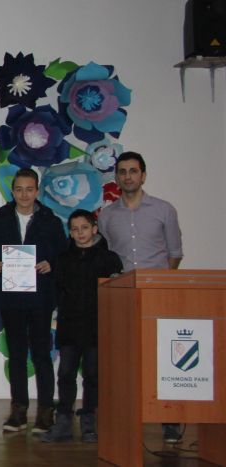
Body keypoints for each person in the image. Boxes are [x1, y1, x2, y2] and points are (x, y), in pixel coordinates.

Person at [97, 151, 184, 444]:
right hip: (123, 297)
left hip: (158, 295)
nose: (128, 176)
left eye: (133, 171)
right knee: (124, 359)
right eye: (122, 171)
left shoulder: (164, 210)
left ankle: (170, 419)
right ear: (117, 177)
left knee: (163, 359)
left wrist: (161, 282)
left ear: (143, 175)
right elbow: (107, 257)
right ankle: (125, 417)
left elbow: (175, 253)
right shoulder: (107, 215)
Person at [0, 168, 66, 433]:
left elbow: (63, 256)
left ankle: (45, 410)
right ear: (13, 191)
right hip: (11, 299)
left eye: (29, 189)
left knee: (42, 355)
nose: (24, 194)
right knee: (17, 355)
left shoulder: (51, 222)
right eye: (19, 189)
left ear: (37, 191)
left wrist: (51, 264)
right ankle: (18, 409)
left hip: (41, 298)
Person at [40, 210, 121, 443]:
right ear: (70, 233)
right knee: (65, 374)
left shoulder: (109, 259)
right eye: (75, 229)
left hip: (96, 327)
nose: (80, 233)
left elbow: (115, 294)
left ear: (94, 229)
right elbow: (57, 291)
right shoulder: (63, 259)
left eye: (84, 228)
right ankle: (64, 421)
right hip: (69, 327)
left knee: (92, 375)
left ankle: (88, 422)